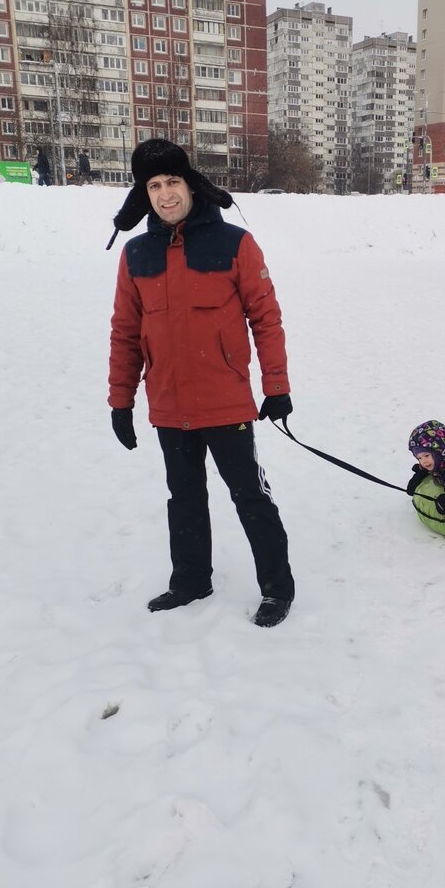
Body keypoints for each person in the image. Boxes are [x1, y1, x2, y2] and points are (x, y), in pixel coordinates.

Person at [107, 139, 295, 627]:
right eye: (153, 185)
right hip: (168, 404)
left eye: (172, 182)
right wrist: (120, 402)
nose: (165, 194)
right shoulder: (135, 254)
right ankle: (191, 580)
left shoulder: (234, 243)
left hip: (226, 402)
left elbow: (266, 317)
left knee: (250, 497)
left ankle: (277, 589)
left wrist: (276, 387)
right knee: (184, 498)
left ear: (190, 184)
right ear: (143, 194)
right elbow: (125, 333)